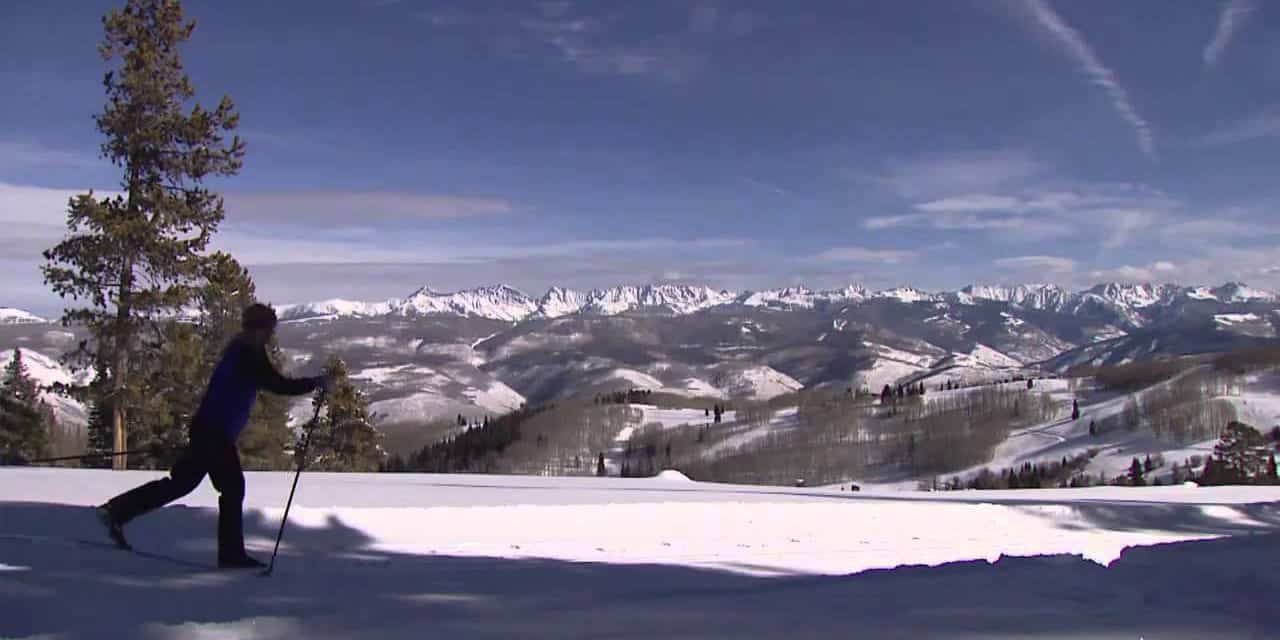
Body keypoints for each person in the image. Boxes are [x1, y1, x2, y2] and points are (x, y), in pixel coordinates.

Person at [97, 303, 333, 569]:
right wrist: (315, 383)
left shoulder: (244, 349)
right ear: (259, 328)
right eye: (268, 330)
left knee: (182, 483)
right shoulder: (248, 354)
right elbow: (277, 384)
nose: (270, 335)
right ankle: (231, 555)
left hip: (208, 428)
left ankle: (117, 510)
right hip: (215, 432)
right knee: (232, 488)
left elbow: (272, 381)